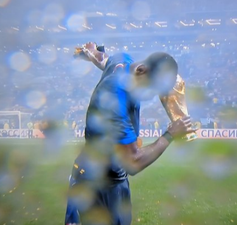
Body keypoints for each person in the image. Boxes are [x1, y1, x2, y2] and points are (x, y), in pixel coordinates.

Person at [65, 42, 195, 225]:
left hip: (113, 178)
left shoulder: (123, 61)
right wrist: (170, 134)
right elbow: (133, 162)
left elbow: (104, 60)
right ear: (141, 71)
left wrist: (91, 52)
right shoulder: (115, 98)